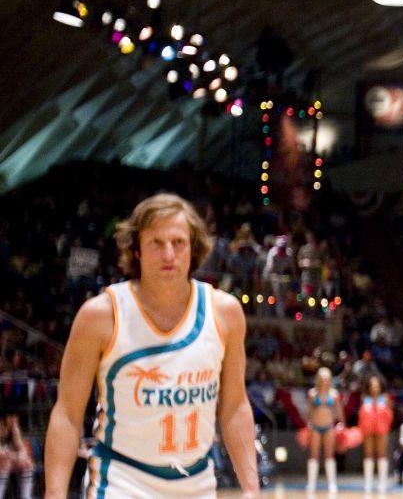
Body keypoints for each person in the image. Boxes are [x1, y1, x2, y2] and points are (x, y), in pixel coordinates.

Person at [43, 193, 261, 498]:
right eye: (156, 243)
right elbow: (67, 414)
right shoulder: (100, 315)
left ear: (194, 247)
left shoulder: (225, 312)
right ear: (137, 250)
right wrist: (54, 494)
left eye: (178, 242)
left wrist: (251, 488)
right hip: (121, 481)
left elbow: (235, 406)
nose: (168, 254)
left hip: (197, 483)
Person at [305, 367, 343, 493]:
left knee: (329, 455)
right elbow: (310, 411)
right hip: (315, 427)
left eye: (327, 379)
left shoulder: (334, 394)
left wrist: (341, 423)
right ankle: (311, 483)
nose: (325, 381)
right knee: (314, 455)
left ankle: (332, 483)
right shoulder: (312, 393)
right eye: (323, 379)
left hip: (329, 427)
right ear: (318, 379)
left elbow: (339, 411)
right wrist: (308, 423)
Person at [358, 375, 394, 492]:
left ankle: (382, 482)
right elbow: (361, 414)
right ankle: (368, 482)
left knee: (381, 454)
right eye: (372, 385)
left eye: (376, 385)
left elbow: (390, 415)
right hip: (368, 429)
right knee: (368, 454)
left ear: (380, 386)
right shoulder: (364, 398)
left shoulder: (385, 398)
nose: (374, 388)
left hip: (382, 428)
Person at [0, 411, 35, 499]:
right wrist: (12, 455)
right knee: (5, 461)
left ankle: (26, 496)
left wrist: (21, 456)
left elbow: (21, 448)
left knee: (26, 463)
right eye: (13, 417)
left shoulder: (12, 428)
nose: (15, 419)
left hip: (7, 461)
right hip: (2, 462)